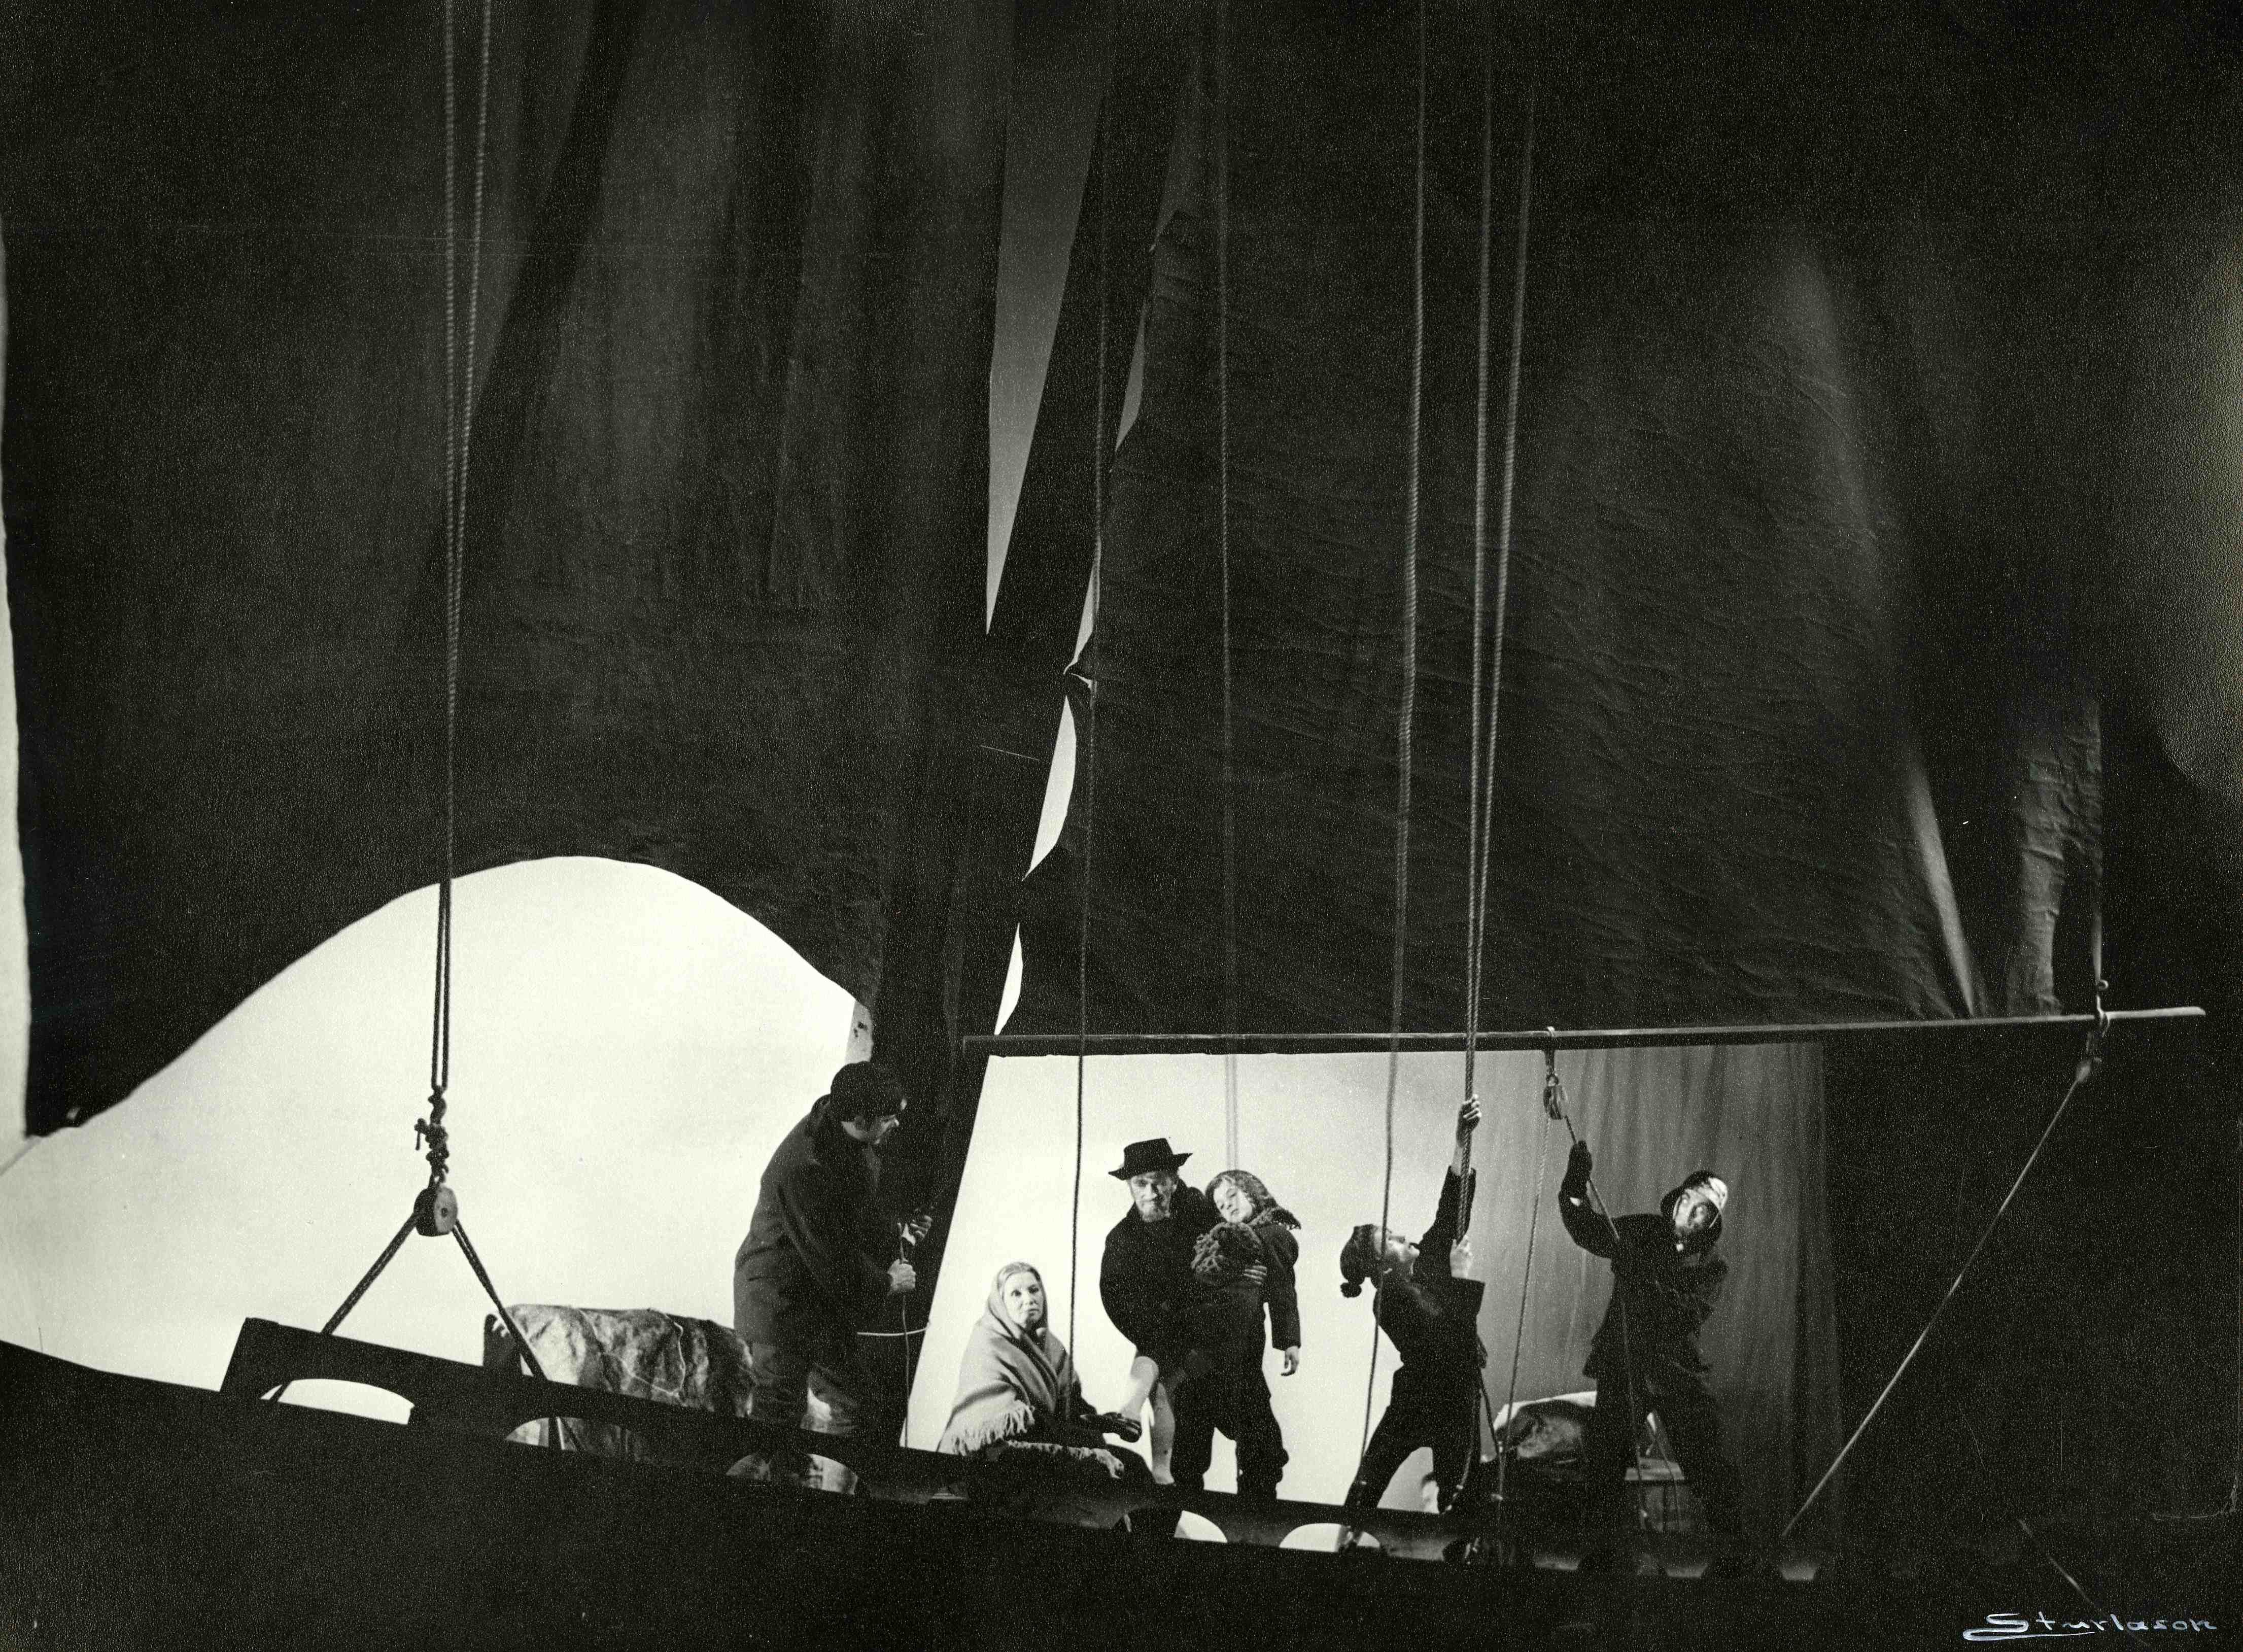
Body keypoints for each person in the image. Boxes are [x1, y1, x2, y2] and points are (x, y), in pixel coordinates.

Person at [732, 1060, 925, 1489]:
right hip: (779, 1303)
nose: (896, 1124)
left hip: (813, 1299)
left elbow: (852, 1210)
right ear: (860, 1120)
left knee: (858, 1403)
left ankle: (832, 1497)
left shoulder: (843, 1131)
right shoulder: (804, 1168)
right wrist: (888, 1282)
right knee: (775, 1423)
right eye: (889, 1117)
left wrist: (897, 1231)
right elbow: (833, 1259)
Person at [1557, 1139, 1744, 1566]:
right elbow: (1587, 1229)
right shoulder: (1642, 1231)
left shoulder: (1711, 1267)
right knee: (1605, 1466)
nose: (1692, 1213)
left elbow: (1681, 1316)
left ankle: (1735, 1559)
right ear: (1677, 1199)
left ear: (1712, 1221)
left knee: (1710, 1462)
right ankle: (1601, 1563)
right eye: (1689, 1201)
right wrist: (1575, 1182)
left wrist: (1640, 1274)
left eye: (1705, 1210)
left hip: (1677, 1371)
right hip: (1624, 1362)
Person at [1338, 1099, 1487, 1515]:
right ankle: (1343, 1539)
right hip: (1424, 1397)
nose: (1403, 1236)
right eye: (1390, 1239)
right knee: (1371, 1481)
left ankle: (1457, 1553)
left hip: (1456, 1395)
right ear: (1380, 1264)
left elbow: (1450, 1212)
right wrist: (1461, 1279)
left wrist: (1461, 1143)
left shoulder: (1425, 1263)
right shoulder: (1389, 1297)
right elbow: (1446, 1341)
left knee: (1460, 1495)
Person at [935, 1261, 1140, 1483]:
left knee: (1133, 1466)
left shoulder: (1051, 1348)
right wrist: (1085, 1451)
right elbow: (1000, 1432)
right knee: (1096, 1469)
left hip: (1036, 1443)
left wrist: (1106, 1423)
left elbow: (1070, 1410)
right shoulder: (988, 1345)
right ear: (1000, 1303)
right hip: (987, 1456)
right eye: (1016, 1294)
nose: (1029, 1299)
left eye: (1034, 1290)